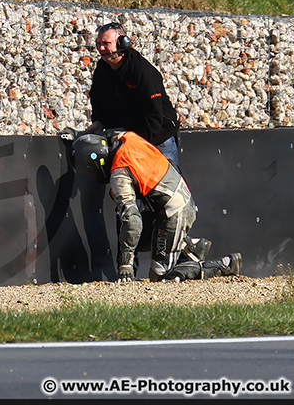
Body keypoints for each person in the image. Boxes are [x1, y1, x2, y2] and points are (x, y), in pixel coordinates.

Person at [71, 130, 242, 282]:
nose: (92, 177)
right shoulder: (125, 137)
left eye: (90, 172)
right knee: (131, 237)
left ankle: (223, 264)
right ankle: (188, 245)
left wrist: (125, 266)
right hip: (176, 200)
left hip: (173, 212)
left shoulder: (119, 173)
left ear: (96, 163)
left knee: (162, 278)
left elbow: (132, 221)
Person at [84, 22, 181, 168]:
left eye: (106, 43)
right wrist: (99, 122)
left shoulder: (142, 71)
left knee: (168, 188)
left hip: (159, 140)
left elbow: (154, 116)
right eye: (98, 44)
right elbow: (97, 98)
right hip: (127, 140)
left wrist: (134, 141)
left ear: (123, 43)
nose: (101, 48)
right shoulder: (102, 69)